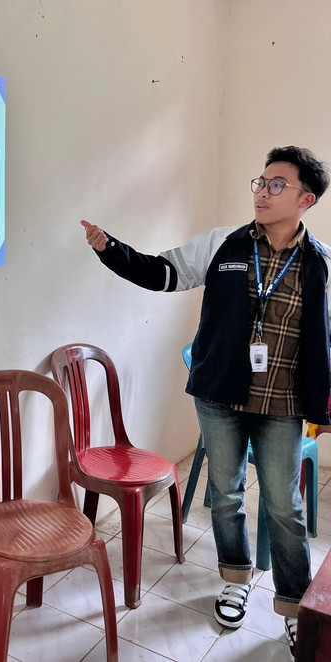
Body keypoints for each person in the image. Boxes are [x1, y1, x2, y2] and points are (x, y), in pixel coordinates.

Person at [82, 146, 331, 662]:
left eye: (277, 185)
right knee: (227, 492)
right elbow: (161, 272)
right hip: (220, 395)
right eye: (260, 181)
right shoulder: (225, 243)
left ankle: (292, 608)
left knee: (285, 507)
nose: (263, 191)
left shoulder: (321, 263)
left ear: (306, 199)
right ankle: (235, 579)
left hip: (283, 403)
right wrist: (111, 248)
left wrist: (324, 408)